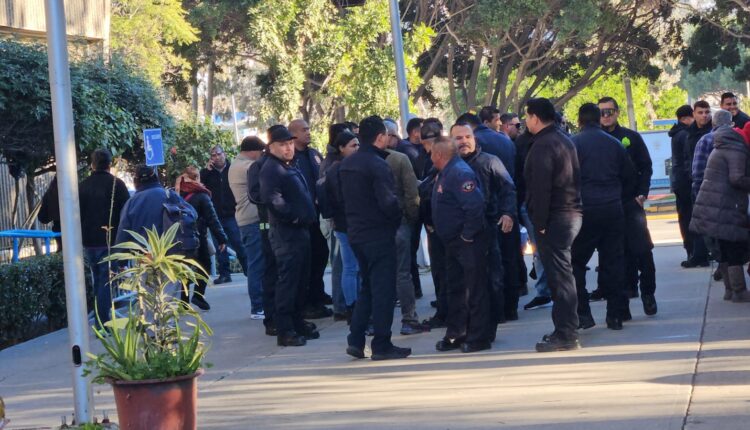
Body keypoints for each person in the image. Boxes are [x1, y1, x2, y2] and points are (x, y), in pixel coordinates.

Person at [340, 115, 411, 361]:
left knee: (368, 288)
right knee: (383, 290)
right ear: (381, 137)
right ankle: (381, 343)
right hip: (378, 233)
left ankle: (356, 339)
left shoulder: (347, 164)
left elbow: (333, 198)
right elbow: (388, 201)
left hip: (356, 233)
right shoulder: (378, 164)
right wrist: (396, 218)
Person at [523, 98, 583, 352]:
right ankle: (566, 328)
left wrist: (540, 223)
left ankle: (566, 332)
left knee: (559, 277)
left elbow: (541, 187)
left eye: (527, 116)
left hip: (556, 217)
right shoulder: (562, 139)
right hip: (569, 213)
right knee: (563, 274)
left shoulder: (543, 145)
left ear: (535, 117)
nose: (525, 121)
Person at [570, 104, 635, 330]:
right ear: (599, 119)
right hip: (612, 208)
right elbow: (629, 176)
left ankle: (583, 313)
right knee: (614, 261)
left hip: (584, 210)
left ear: (579, 120)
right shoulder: (614, 144)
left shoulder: (574, 144)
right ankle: (615, 315)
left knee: (575, 263)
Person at [259, 125, 321, 347]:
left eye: (289, 143)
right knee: (288, 282)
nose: (288, 148)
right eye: (283, 144)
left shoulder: (287, 165)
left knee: (301, 280)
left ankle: (297, 322)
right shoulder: (271, 168)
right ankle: (285, 329)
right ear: (271, 146)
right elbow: (272, 200)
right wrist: (294, 217)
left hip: (300, 231)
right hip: (287, 233)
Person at [453, 123, 516, 337]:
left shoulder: (490, 161)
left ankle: (493, 322)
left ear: (474, 138)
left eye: (467, 137)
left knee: (493, 277)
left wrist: (508, 213)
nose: (463, 141)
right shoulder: (449, 166)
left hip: (488, 228)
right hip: (458, 232)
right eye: (458, 138)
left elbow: (508, 188)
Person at [431, 135, 492, 353]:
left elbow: (474, 207)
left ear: (439, 154)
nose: (430, 158)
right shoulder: (446, 172)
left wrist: (467, 235)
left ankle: (479, 336)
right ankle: (457, 332)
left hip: (466, 241)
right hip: (452, 242)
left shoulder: (459, 172)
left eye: (432, 154)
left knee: (474, 289)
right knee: (456, 288)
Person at [599, 96, 658, 315]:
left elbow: (646, 166)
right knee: (615, 255)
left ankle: (648, 293)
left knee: (643, 250)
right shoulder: (594, 140)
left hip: (630, 202)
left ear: (617, 112)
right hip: (606, 205)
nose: (606, 116)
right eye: (602, 112)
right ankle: (622, 301)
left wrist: (642, 193)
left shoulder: (630, 137)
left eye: (610, 111)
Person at [691, 123, 750, 302]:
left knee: (724, 247)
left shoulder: (724, 145)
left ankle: (729, 290)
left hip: (716, 204)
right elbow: (737, 178)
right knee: (735, 248)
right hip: (728, 204)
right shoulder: (737, 149)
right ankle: (739, 291)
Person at [384, 120, 427, 335]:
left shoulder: (352, 163)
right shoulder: (399, 159)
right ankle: (409, 319)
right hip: (398, 223)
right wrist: (411, 218)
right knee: (402, 273)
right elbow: (412, 194)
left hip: (370, 229)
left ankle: (375, 322)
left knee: (375, 275)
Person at [79, 149, 130, 324]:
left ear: (92, 164)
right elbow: (126, 214)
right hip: (110, 240)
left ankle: (100, 316)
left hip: (89, 241)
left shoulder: (83, 185)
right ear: (110, 164)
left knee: (98, 281)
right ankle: (102, 321)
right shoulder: (117, 185)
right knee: (107, 282)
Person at [288, 119, 333, 318]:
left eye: (309, 128)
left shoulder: (314, 154)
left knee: (321, 255)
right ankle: (307, 302)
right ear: (294, 134)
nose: (308, 132)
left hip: (319, 215)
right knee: (307, 260)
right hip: (303, 217)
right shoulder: (291, 158)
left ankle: (318, 294)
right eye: (304, 129)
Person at [176, 167, 228, 310]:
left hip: (178, 239)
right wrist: (222, 238)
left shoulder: (176, 193)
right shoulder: (201, 195)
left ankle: (184, 301)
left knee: (184, 269)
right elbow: (212, 219)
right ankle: (198, 295)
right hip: (198, 238)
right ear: (197, 178)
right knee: (204, 266)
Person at [322, 131, 361, 322]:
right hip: (347, 225)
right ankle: (352, 306)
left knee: (352, 267)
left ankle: (354, 305)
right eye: (353, 145)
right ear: (341, 148)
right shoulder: (339, 170)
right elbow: (341, 199)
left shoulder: (337, 168)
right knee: (351, 267)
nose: (357, 149)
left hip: (346, 224)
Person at [228, 136, 267, 319]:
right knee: (256, 263)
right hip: (251, 220)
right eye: (261, 153)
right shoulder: (246, 167)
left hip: (248, 219)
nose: (262, 156)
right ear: (252, 151)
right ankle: (258, 306)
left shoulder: (238, 165)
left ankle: (260, 304)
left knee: (257, 261)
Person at [418, 119, 449, 328]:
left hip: (441, 226)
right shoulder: (431, 159)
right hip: (435, 225)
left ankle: (446, 311)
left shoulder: (441, 162)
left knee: (444, 271)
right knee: (441, 271)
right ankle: (444, 308)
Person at [200, 145, 247, 284]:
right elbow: (200, 187)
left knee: (239, 244)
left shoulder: (232, 170)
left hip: (232, 214)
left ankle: (249, 271)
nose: (216, 157)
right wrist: (206, 172)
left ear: (224, 154)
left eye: (218, 154)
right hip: (215, 216)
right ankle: (225, 274)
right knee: (220, 247)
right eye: (213, 155)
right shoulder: (207, 173)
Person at [683, 100, 713, 267]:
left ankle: (712, 255)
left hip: (711, 184)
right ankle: (699, 254)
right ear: (693, 114)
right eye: (700, 112)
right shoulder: (690, 133)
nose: (704, 115)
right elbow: (687, 157)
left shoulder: (712, 132)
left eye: (707, 112)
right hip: (695, 182)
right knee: (697, 221)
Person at [669, 105, 696, 264]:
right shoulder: (685, 135)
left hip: (679, 181)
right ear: (686, 118)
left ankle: (690, 249)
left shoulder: (677, 133)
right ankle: (693, 250)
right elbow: (688, 160)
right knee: (689, 217)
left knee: (684, 216)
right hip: (685, 182)